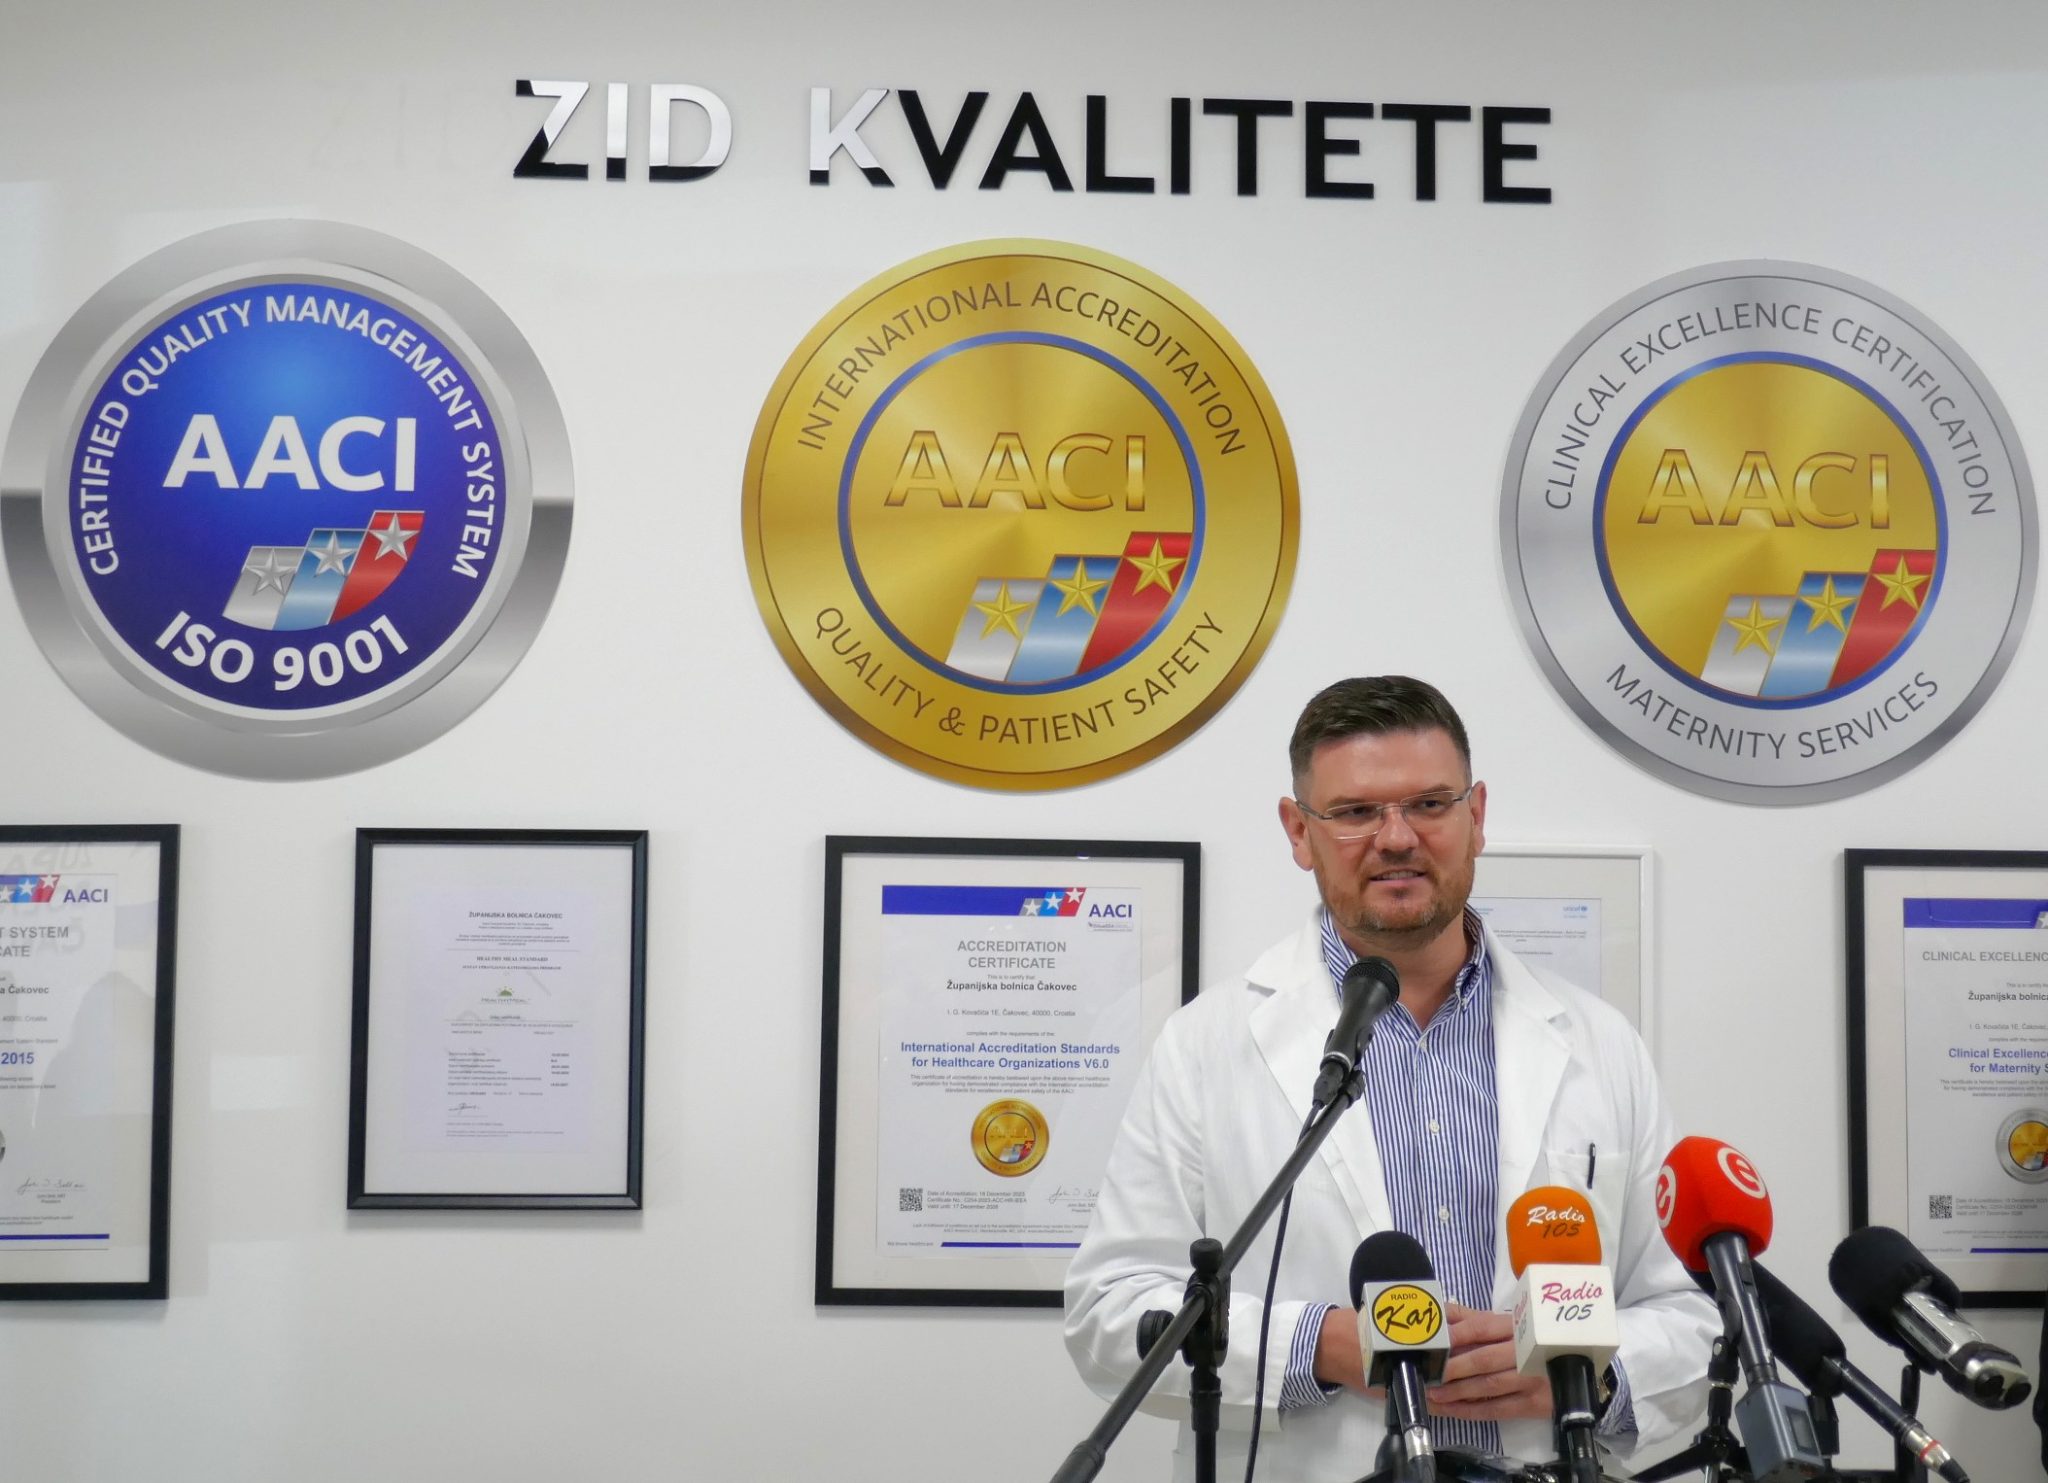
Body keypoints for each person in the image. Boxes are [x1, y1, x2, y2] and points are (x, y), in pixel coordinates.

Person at [1064, 676, 1717, 1481]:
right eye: (1356, 811)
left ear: (1477, 816)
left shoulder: (1601, 1041)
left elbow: (1687, 1313)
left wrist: (1589, 1376)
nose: (1398, 837)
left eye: (1430, 804)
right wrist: (1317, 1344)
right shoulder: (1204, 1045)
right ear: (1299, 831)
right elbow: (1110, 1309)